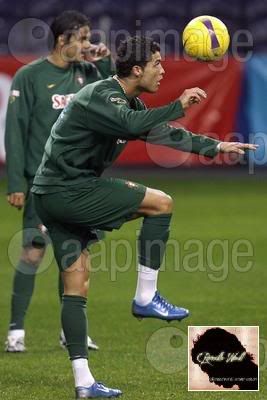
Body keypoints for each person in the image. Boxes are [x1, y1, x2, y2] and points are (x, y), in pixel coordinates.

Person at [31, 36, 257, 398]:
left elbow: (160, 131)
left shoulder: (126, 101)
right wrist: (177, 105)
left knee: (76, 284)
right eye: (156, 64)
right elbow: (130, 125)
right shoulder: (102, 96)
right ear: (137, 69)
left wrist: (214, 146)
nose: (163, 70)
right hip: (68, 190)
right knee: (161, 203)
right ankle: (146, 296)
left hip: (51, 194)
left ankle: (84, 383)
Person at [4, 10, 114, 353]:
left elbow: (115, 101)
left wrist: (107, 64)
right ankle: (16, 332)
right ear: (63, 39)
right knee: (32, 253)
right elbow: (15, 132)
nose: (87, 44)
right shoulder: (30, 76)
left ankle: (70, 332)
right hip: (40, 183)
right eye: (81, 38)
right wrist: (16, 183)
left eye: (88, 38)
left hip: (77, 183)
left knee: (73, 256)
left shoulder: (88, 74)